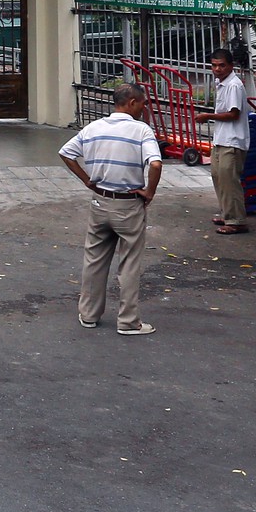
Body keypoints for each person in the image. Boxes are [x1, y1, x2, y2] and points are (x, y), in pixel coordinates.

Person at [59, 80, 164, 335]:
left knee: (94, 260)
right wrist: (149, 192)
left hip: (100, 202)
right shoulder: (141, 131)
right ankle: (128, 321)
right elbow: (155, 164)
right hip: (128, 205)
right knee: (129, 264)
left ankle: (89, 314)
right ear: (131, 103)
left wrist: (87, 180)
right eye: (142, 104)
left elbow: (66, 153)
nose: (143, 109)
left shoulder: (93, 127)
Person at [200, 47, 251, 234]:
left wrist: (208, 116)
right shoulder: (221, 83)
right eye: (214, 65)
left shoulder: (233, 86)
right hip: (221, 139)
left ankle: (236, 221)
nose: (217, 69)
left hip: (233, 140)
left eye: (221, 65)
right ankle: (227, 213)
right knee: (219, 177)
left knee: (229, 181)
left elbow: (233, 114)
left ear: (231, 66)